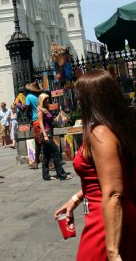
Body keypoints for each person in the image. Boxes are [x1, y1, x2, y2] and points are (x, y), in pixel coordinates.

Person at [54, 69, 136, 261]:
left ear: (94, 98)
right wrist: (75, 199)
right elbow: (107, 175)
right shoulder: (113, 127)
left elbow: (113, 192)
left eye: (81, 96)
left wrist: (113, 251)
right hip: (104, 213)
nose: (79, 102)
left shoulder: (100, 133)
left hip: (107, 220)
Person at [37, 93, 71, 181]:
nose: (48, 100)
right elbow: (40, 124)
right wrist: (45, 136)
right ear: (42, 100)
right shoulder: (40, 111)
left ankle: (46, 176)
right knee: (56, 153)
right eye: (46, 99)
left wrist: (59, 117)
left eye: (48, 99)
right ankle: (62, 175)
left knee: (46, 156)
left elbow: (52, 121)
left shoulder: (46, 110)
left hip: (49, 133)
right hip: (46, 134)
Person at [25, 81, 42, 168]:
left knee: (38, 142)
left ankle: (36, 161)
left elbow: (27, 108)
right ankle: (37, 160)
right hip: (43, 119)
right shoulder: (40, 96)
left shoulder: (28, 97)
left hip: (36, 120)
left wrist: (28, 115)